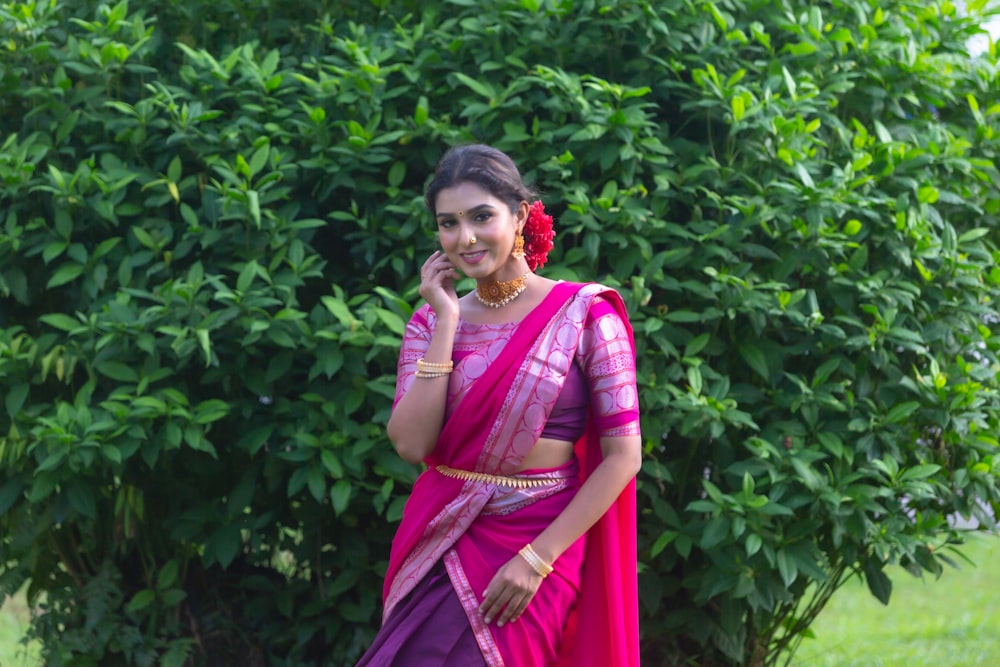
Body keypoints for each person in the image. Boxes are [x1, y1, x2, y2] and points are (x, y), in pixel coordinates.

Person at [356, 144, 642, 667]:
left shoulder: (586, 315)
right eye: (448, 223)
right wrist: (445, 320)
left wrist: (538, 559)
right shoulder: (429, 324)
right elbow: (412, 443)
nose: (465, 238)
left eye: (481, 216)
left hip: (540, 537)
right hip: (443, 532)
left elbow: (624, 457)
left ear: (521, 215)